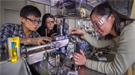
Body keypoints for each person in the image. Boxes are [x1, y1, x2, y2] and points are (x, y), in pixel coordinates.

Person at [70, 2, 135, 75]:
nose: (96, 29)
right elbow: (98, 44)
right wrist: (83, 33)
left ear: (112, 17)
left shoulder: (129, 32)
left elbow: (116, 69)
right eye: (94, 26)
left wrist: (86, 62)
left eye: (97, 23)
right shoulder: (116, 34)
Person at [0, 5, 51, 75]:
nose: (36, 24)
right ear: (22, 19)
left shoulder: (36, 36)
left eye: (38, 21)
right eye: (33, 20)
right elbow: (2, 47)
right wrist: (29, 40)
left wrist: (42, 51)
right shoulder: (9, 28)